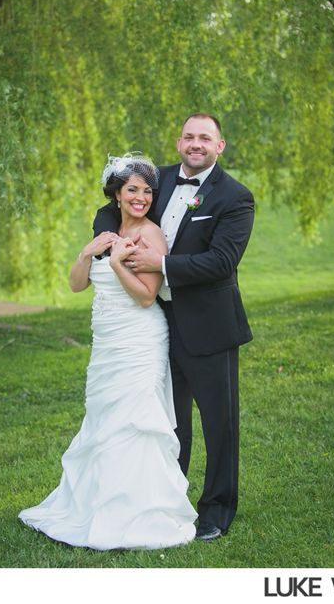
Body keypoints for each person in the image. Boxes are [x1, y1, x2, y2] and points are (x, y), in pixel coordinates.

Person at [19, 154, 197, 550]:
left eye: (148, 191)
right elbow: (76, 286)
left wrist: (118, 265)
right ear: (116, 194)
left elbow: (148, 297)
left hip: (139, 341)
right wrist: (88, 254)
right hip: (107, 344)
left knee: (134, 420)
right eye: (132, 190)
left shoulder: (151, 236)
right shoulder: (107, 230)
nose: (141, 197)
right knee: (104, 418)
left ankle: (141, 512)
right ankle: (96, 504)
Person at [93, 113, 254, 541]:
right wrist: (111, 241)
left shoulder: (235, 197)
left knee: (219, 423)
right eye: (189, 136)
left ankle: (217, 511)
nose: (195, 143)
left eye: (205, 138)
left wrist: (158, 264)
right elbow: (110, 209)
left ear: (220, 146)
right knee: (169, 419)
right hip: (157, 326)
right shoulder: (156, 180)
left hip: (210, 327)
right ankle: (166, 501)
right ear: (179, 141)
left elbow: (222, 262)